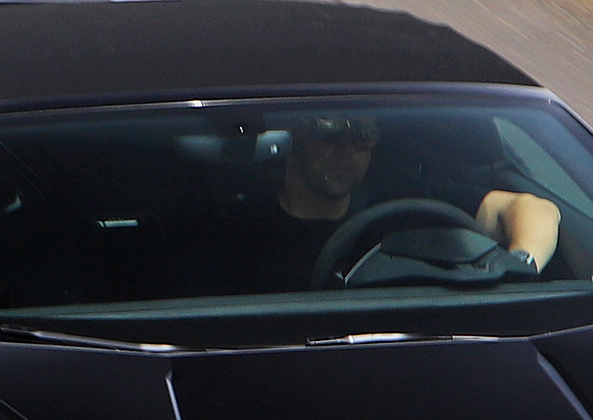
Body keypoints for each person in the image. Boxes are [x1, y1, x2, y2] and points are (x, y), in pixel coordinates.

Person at [208, 112, 559, 295]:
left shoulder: (408, 205)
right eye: (328, 130)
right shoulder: (240, 231)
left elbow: (536, 210)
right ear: (294, 134)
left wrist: (518, 267)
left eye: (364, 135)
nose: (347, 151)